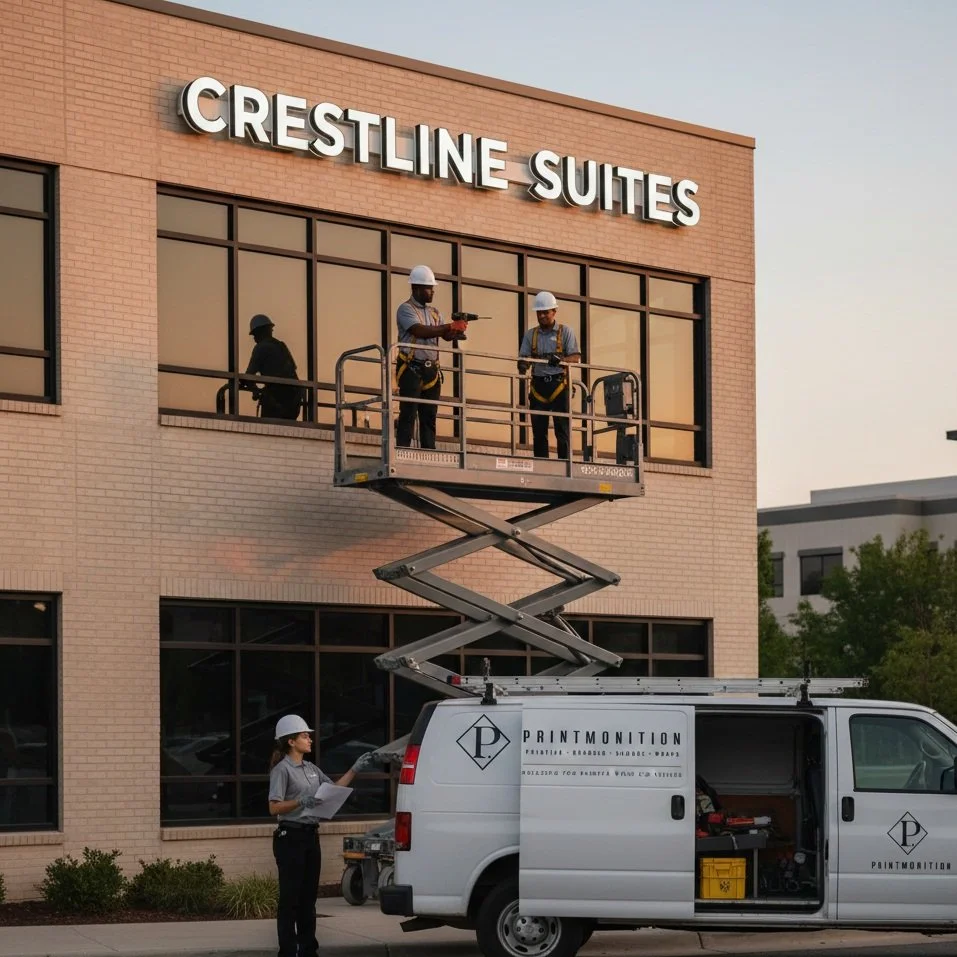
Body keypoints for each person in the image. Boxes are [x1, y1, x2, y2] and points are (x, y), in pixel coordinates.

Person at [268, 714, 382, 957]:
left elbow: (333, 791)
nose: (309, 739)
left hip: (310, 837)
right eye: (304, 735)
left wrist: (354, 769)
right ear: (291, 741)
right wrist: (299, 801)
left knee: (309, 899)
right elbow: (274, 807)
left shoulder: (311, 769)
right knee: (290, 899)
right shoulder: (282, 770)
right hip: (290, 838)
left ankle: (309, 950)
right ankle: (287, 951)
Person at [395, 266, 468, 448]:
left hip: (431, 372)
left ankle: (430, 453)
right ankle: (402, 451)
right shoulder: (405, 309)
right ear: (416, 288)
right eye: (429, 288)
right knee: (408, 414)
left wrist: (456, 331)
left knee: (429, 417)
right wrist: (448, 327)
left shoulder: (435, 313)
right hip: (411, 369)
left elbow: (444, 336)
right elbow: (419, 330)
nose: (432, 291)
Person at [517, 292, 581, 459]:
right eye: (539, 313)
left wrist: (560, 361)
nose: (542, 316)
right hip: (538, 386)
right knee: (539, 431)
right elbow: (523, 358)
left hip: (559, 385)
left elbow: (575, 357)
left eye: (545, 312)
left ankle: (564, 463)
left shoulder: (565, 332)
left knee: (562, 430)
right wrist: (523, 364)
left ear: (554, 311)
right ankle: (541, 463)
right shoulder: (531, 335)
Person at [243, 314, 305, 420]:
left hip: (277, 400)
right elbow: (291, 371)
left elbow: (249, 376)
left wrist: (254, 390)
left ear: (259, 332)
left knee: (268, 428)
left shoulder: (261, 348)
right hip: (293, 400)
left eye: (254, 335)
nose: (254, 338)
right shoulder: (281, 346)